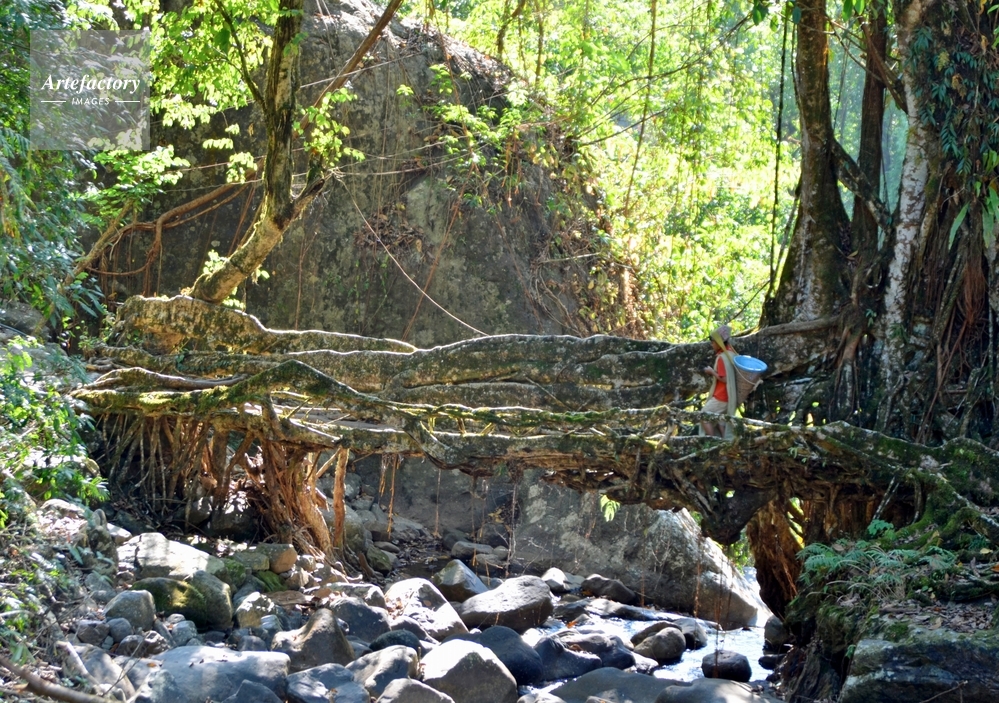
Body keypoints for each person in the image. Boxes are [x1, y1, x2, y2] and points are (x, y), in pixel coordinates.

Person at [700, 325, 739, 438]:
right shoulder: (731, 354)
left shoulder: (722, 358)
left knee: (704, 415)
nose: (712, 345)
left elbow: (725, 379)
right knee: (720, 422)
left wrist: (711, 371)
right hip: (729, 396)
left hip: (721, 396)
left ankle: (713, 440)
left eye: (713, 342)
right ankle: (724, 443)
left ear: (718, 343)